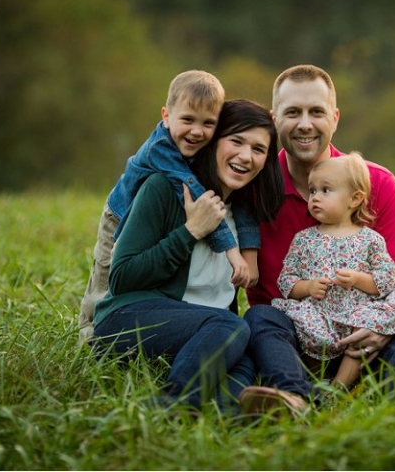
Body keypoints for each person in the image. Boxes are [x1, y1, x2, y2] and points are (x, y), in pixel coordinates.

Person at [240, 64, 395, 414]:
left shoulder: (375, 184)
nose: (305, 123)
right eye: (293, 112)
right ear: (275, 120)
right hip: (293, 341)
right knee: (259, 320)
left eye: (316, 111)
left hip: (366, 337)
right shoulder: (252, 188)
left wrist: (379, 330)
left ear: (334, 117)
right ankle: (295, 398)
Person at [92, 99, 283, 412]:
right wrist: (190, 231)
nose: (245, 156)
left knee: (245, 348)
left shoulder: (245, 215)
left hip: (200, 331)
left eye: (258, 149)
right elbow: (122, 277)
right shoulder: (164, 189)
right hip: (127, 321)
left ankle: (230, 413)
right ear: (212, 142)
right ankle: (174, 404)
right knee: (231, 327)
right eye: (236, 141)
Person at [79, 71, 261, 345]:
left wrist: (250, 253)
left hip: (151, 212)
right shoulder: (161, 148)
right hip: (119, 213)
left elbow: (240, 206)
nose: (197, 131)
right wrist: (231, 250)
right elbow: (201, 201)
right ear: (166, 116)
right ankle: (89, 336)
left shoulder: (201, 146)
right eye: (187, 119)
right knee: (104, 279)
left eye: (208, 123)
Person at [271, 152, 395, 389]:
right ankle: (311, 385)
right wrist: (308, 287)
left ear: (354, 199)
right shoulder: (304, 240)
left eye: (326, 190)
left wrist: (358, 279)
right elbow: (287, 279)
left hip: (357, 319)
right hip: (318, 316)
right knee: (298, 320)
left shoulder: (370, 239)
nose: (315, 198)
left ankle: (339, 388)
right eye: (312, 191)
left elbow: (385, 280)